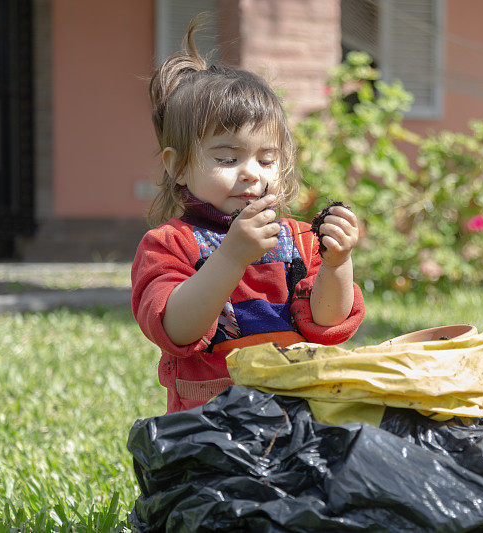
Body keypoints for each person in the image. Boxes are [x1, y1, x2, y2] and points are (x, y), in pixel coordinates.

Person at [131, 24, 364, 414]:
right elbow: (176, 329)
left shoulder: (299, 239)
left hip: (297, 416)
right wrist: (231, 257)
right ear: (179, 167)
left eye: (266, 159)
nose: (252, 173)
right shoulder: (170, 245)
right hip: (214, 428)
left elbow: (328, 322)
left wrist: (338, 263)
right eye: (227, 158)